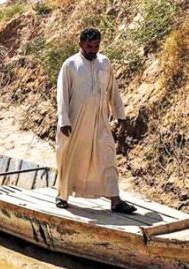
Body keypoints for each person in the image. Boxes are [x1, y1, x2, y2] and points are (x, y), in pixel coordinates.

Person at [55, 28, 136, 214]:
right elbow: (62, 95)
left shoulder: (105, 63)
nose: (93, 50)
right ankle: (62, 195)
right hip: (75, 122)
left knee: (108, 157)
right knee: (70, 158)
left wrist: (120, 114)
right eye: (89, 46)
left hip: (100, 120)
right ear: (81, 44)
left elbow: (112, 89)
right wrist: (64, 120)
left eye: (96, 46)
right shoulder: (70, 65)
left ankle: (115, 201)